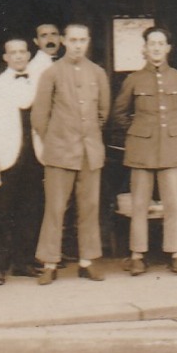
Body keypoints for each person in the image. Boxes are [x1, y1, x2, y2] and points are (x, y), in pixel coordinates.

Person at [113, 27, 177, 277]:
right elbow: (119, 113)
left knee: (173, 202)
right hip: (142, 149)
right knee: (139, 204)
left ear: (168, 48)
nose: (157, 48)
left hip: (172, 147)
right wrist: (138, 130)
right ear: (144, 49)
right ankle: (137, 254)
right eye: (152, 44)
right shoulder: (134, 79)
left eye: (161, 44)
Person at [31, 23, 111, 284]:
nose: (78, 45)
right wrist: (56, 140)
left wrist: (87, 135)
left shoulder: (98, 73)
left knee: (89, 207)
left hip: (90, 152)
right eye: (73, 40)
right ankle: (50, 263)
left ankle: (87, 261)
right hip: (60, 152)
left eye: (82, 40)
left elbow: (103, 112)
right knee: (55, 208)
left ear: (88, 41)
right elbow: (39, 116)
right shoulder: (51, 73)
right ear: (64, 41)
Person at [0, 38, 44, 284]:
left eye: (23, 52)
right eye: (13, 53)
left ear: (29, 54)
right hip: (5, 158)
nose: (18, 56)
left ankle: (23, 262)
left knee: (30, 211)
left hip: (35, 157)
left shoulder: (40, 83)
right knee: (0, 214)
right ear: (5, 57)